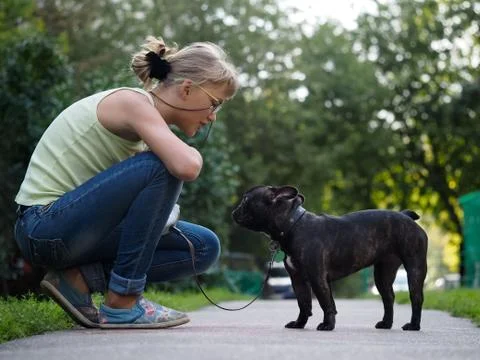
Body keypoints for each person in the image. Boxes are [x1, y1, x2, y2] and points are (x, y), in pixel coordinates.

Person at [13, 35, 239, 328]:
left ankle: (78, 281)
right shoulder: (132, 103)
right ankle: (123, 301)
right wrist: (191, 154)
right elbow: (186, 165)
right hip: (41, 228)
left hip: (73, 231)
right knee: (164, 165)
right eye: (214, 103)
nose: (212, 117)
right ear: (187, 89)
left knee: (203, 246)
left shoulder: (147, 130)